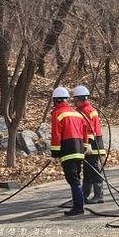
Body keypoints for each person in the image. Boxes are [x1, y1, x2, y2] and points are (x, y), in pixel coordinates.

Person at [50, 86, 89, 216]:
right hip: (79, 149)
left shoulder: (57, 113)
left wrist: (54, 153)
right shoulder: (77, 113)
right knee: (76, 177)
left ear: (55, 100)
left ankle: (78, 207)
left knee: (73, 179)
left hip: (68, 150)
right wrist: (85, 147)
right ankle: (79, 204)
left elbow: (56, 135)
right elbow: (84, 132)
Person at [72, 85, 106, 204]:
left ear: (79, 98)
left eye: (75, 99)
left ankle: (99, 195)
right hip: (92, 144)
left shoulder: (86, 111)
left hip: (92, 145)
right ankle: (84, 195)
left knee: (93, 170)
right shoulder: (88, 109)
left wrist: (88, 144)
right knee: (87, 170)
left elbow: (90, 129)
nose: (74, 101)